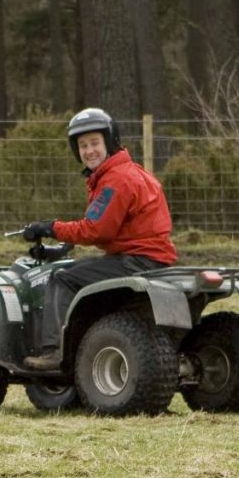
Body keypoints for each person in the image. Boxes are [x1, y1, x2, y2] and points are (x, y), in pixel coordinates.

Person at [21, 108, 177, 370]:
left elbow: (96, 231)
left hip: (136, 261)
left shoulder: (115, 180)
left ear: (110, 141)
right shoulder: (130, 171)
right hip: (152, 258)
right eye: (82, 145)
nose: (89, 151)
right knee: (82, 269)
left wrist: (50, 228)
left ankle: (53, 352)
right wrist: (64, 248)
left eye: (94, 143)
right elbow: (112, 227)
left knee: (62, 279)